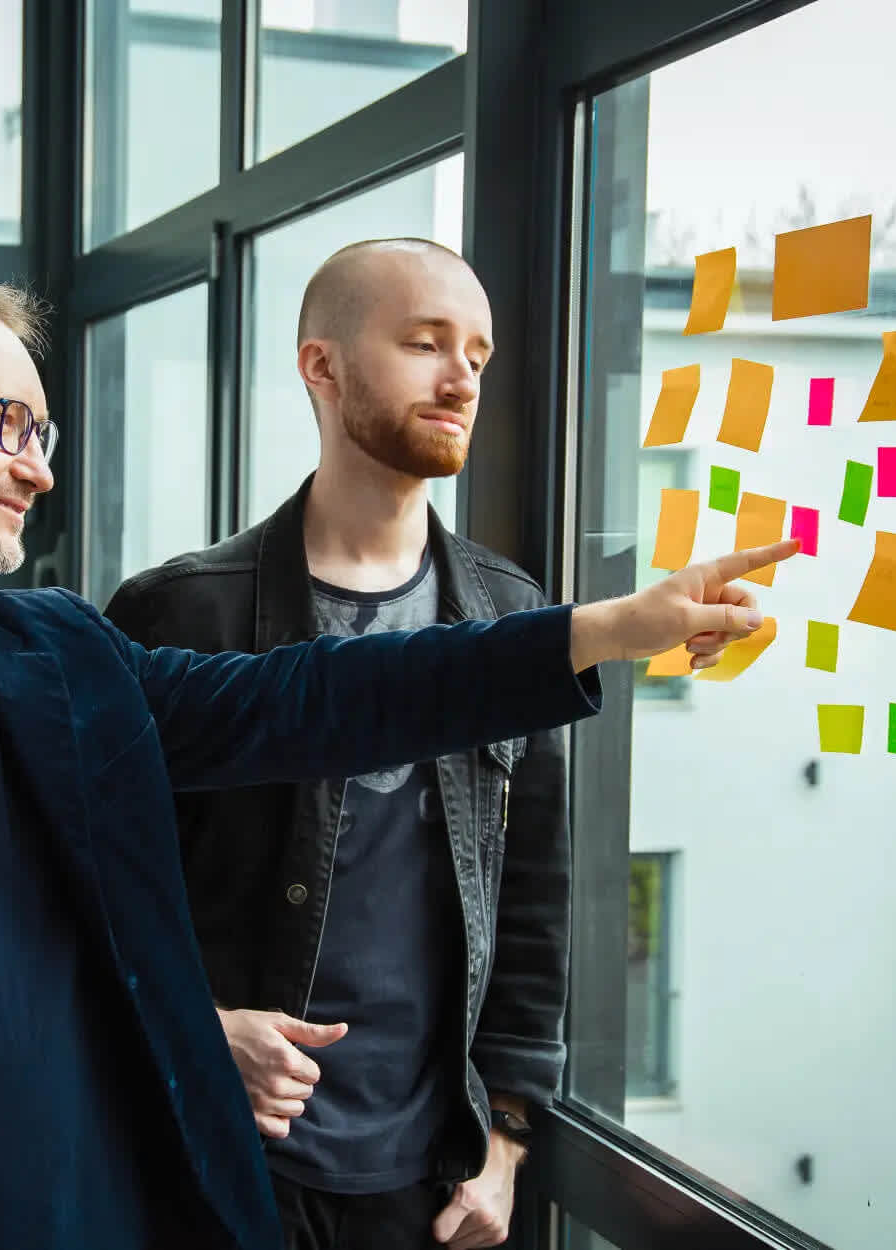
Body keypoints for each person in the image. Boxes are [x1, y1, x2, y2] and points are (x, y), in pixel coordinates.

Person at [0, 272, 791, 1250]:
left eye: (42, 431)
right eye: (3, 422)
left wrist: (602, 629)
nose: (36, 465)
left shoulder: (61, 653)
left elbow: (320, 696)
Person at [104, 237, 568, 1250]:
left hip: (431, 1188)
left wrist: (508, 1143)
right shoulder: (179, 612)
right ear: (321, 365)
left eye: (477, 356)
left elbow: (533, 901)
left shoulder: (508, 614)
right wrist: (201, 1025)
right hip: (224, 1162)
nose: (461, 379)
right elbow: (103, 897)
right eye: (425, 343)